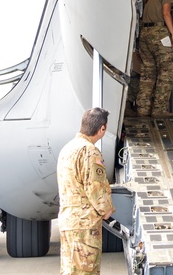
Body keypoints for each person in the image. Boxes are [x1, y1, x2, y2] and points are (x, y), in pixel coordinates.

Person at [57, 107, 114, 275]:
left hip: (69, 220)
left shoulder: (68, 148)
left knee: (71, 270)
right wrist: (107, 209)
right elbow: (95, 186)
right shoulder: (89, 151)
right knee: (85, 270)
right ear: (102, 128)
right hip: (84, 225)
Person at [136, 0, 173, 118]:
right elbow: (166, 13)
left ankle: (142, 108)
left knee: (148, 72)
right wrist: (172, 34)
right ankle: (159, 110)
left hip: (145, 34)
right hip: (159, 33)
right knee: (166, 72)